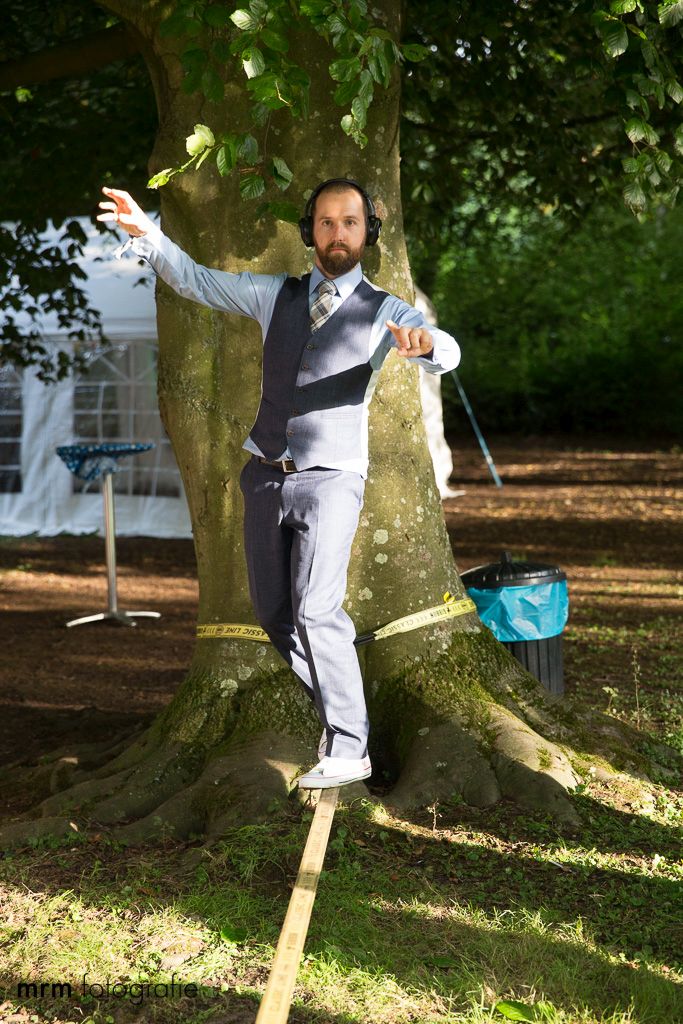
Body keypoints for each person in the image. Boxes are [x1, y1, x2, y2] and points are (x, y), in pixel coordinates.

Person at [98, 178, 460, 789]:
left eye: (350, 222)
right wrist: (146, 233)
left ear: (368, 231)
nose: (338, 233)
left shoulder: (385, 309)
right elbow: (196, 280)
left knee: (317, 607)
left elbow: (443, 349)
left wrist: (427, 345)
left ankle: (349, 743)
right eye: (326, 222)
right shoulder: (275, 295)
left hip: (332, 479)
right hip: (265, 476)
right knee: (274, 614)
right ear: (310, 230)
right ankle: (343, 709)